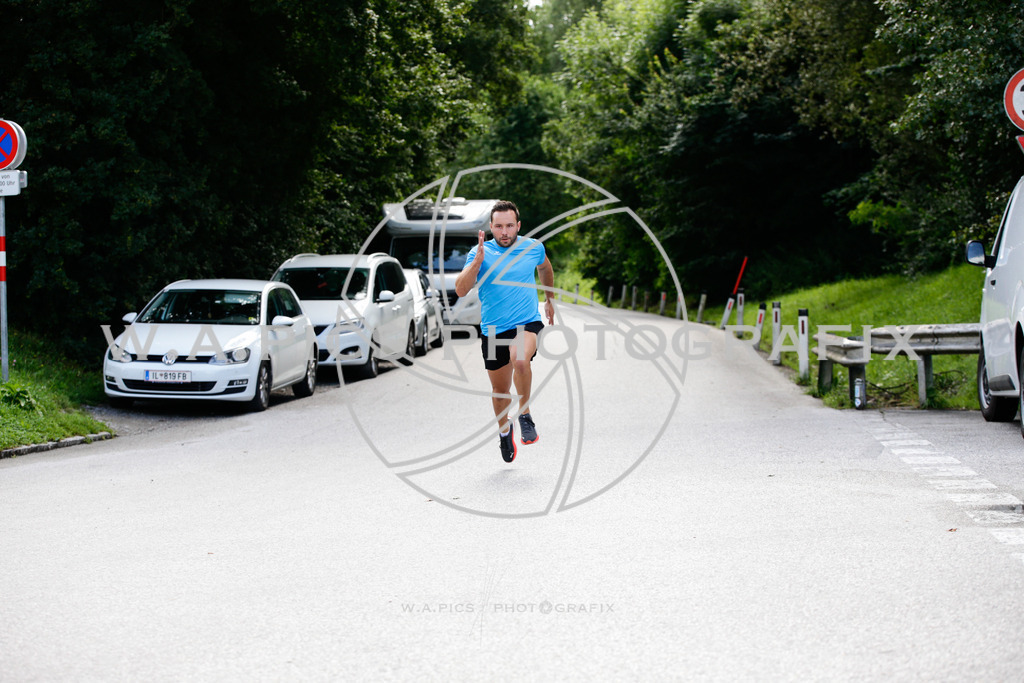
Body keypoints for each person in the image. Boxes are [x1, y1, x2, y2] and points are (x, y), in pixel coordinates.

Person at [454, 200, 555, 463]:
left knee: (520, 359)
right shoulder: (480, 252)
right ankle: (504, 430)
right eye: (499, 227)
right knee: (500, 394)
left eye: (510, 226)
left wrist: (550, 299)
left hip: (526, 322)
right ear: (491, 227)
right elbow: (461, 289)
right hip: (493, 330)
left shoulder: (533, 247)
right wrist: (476, 263)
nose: (505, 232)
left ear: (518, 225)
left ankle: (525, 414)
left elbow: (544, 267)